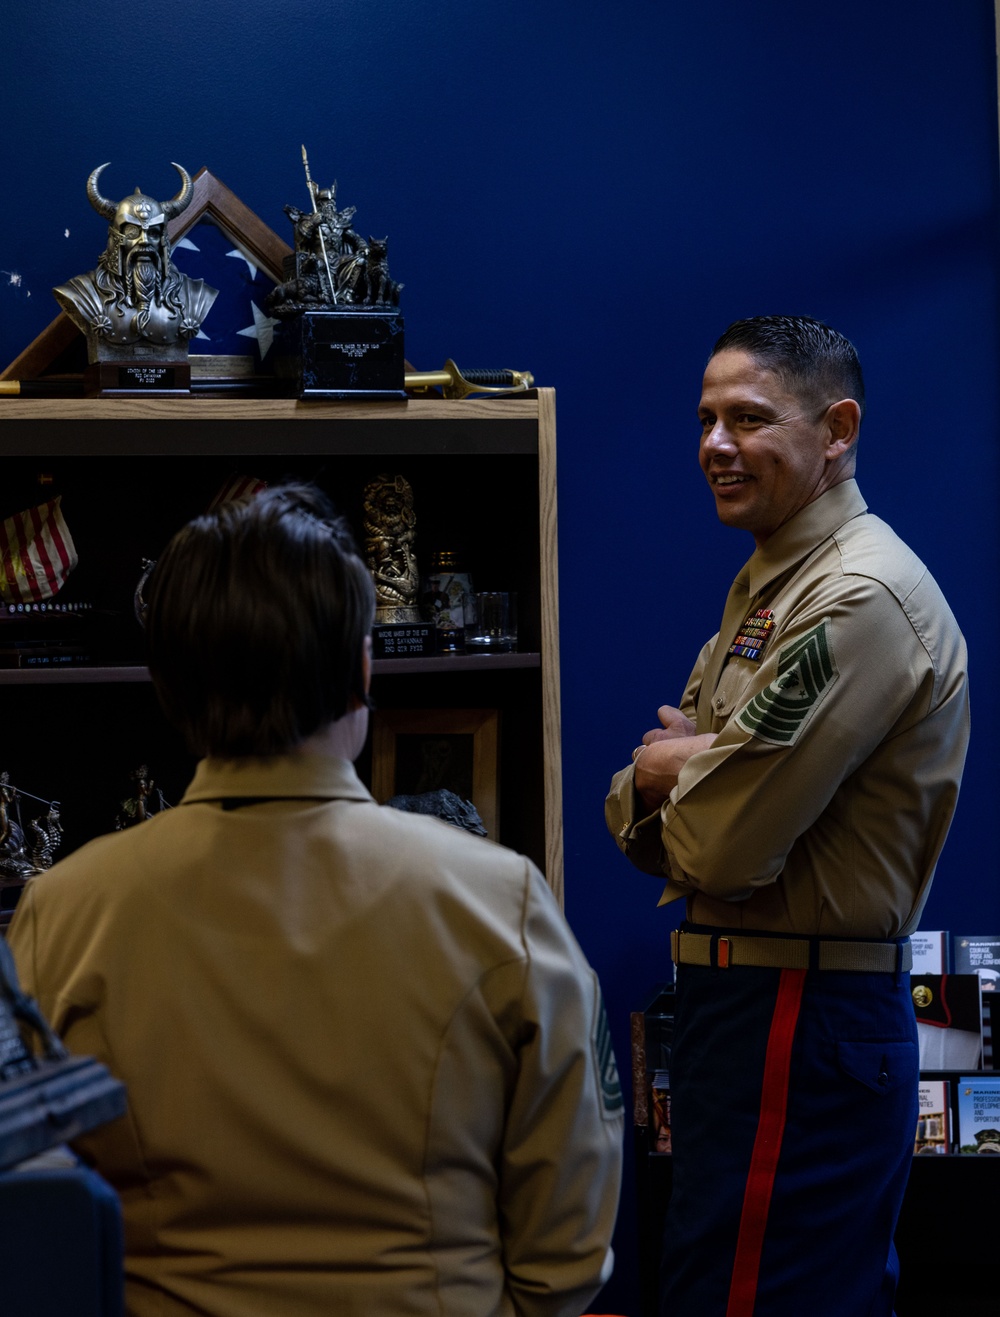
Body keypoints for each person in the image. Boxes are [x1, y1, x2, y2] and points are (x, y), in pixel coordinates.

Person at [9, 483, 623, 1317]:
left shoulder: (61, 911)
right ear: (362, 669)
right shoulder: (500, 899)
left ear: (167, 683)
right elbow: (568, 1249)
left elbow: (34, 1218)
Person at [605, 316, 969, 1317]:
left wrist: (676, 770)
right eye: (707, 418)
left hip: (796, 1023)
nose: (713, 445)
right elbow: (645, 807)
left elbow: (719, 846)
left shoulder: (853, 597)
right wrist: (675, 771)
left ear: (837, 426)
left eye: (749, 418)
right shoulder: (771, 586)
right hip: (757, 1015)